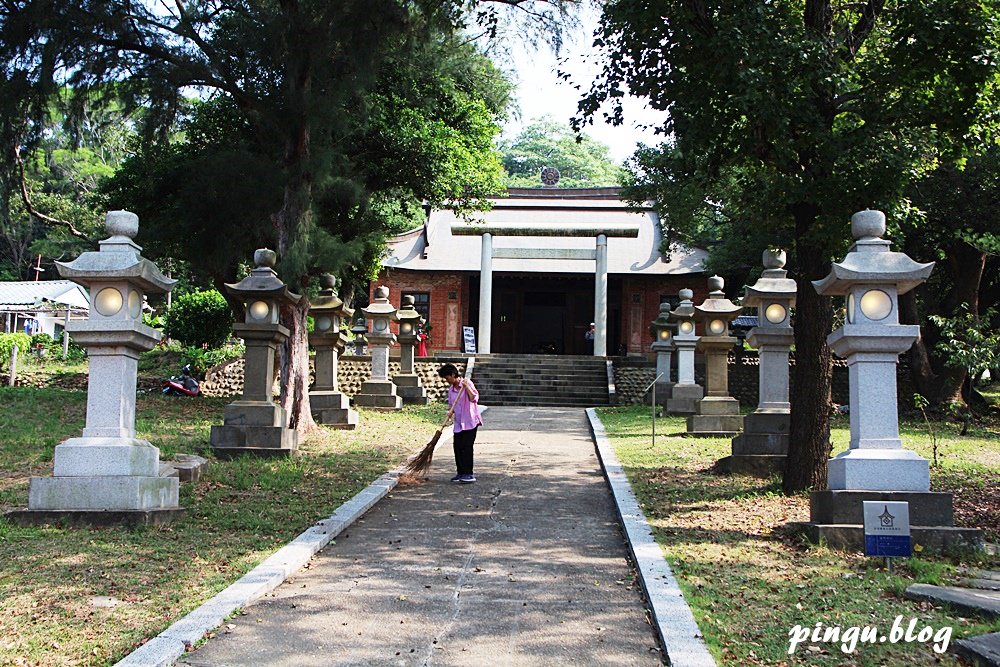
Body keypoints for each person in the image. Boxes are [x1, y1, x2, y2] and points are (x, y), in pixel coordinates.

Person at [438, 363, 482, 484]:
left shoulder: (467, 383)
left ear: (453, 375)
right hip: (458, 423)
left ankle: (469, 473)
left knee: (467, 447)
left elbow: (474, 398)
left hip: (470, 421)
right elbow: (451, 406)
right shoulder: (451, 390)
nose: (447, 381)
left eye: (447, 378)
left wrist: (467, 386)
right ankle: (460, 472)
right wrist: (449, 413)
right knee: (457, 447)